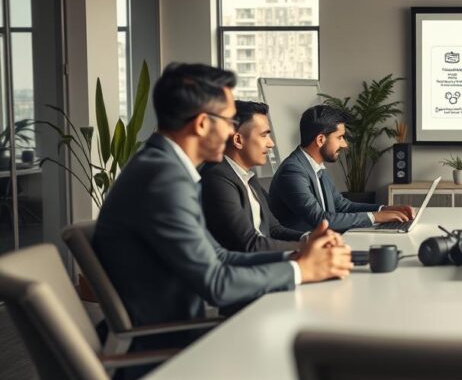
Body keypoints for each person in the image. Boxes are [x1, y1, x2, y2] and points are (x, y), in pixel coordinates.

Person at [93, 64, 353, 351]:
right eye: (229, 121)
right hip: (165, 352)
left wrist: (298, 257)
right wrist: (300, 270)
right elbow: (216, 282)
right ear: (203, 123)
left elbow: (218, 256)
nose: (233, 133)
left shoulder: (164, 168)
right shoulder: (163, 180)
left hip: (181, 334)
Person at [269, 105, 413, 233]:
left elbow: (342, 206)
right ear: (320, 140)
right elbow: (321, 220)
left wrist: (383, 209)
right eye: (340, 137)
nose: (345, 144)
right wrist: (376, 217)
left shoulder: (315, 166)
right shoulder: (293, 171)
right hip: (303, 252)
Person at [201, 100, 306, 252]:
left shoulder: (246, 176)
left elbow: (273, 228)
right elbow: (249, 244)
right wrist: (306, 248)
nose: (271, 144)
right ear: (238, 140)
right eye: (264, 136)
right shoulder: (217, 177)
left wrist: (308, 237)